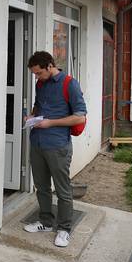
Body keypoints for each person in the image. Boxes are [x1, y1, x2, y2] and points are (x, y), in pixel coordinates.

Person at [22, 51, 87, 248]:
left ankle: (64, 229)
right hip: (38, 143)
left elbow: (80, 117)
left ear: (50, 66)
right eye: (34, 74)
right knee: (41, 187)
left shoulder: (70, 84)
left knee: (62, 189)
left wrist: (50, 123)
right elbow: (38, 106)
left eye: (39, 73)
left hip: (58, 145)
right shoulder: (40, 84)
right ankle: (45, 222)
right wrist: (31, 117)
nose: (36, 77)